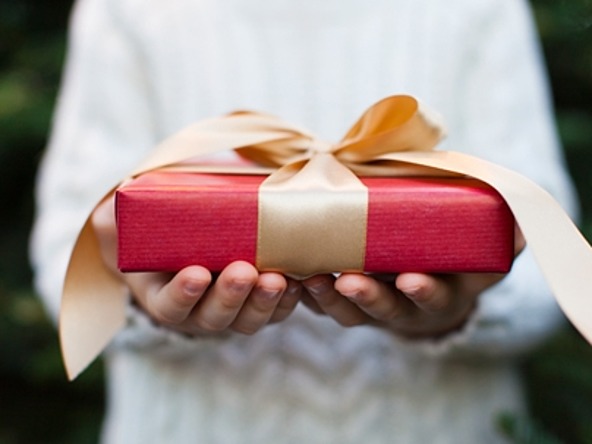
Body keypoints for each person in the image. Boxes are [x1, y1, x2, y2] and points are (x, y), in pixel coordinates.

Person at [31, 0, 578, 442]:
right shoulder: (128, 10)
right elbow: (71, 250)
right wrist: (141, 300)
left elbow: (544, 256)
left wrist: (457, 310)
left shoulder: (480, 10)